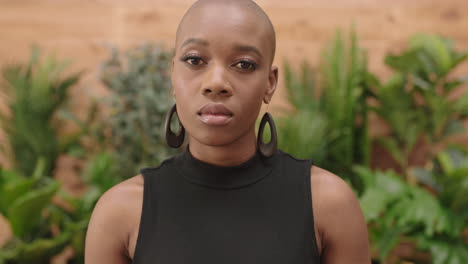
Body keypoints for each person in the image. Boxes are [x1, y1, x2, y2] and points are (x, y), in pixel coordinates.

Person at [84, 0, 371, 263]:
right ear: (172, 74)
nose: (216, 82)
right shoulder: (121, 212)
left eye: (244, 64)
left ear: (270, 83)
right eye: (195, 60)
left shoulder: (327, 203)